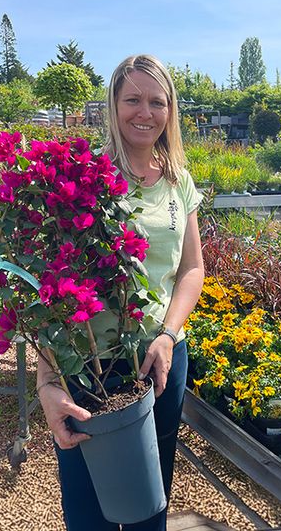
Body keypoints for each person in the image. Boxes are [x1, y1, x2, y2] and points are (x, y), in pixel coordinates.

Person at [36, 54, 205, 531]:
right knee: (89, 512)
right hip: (89, 363)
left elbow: (192, 269)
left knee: (149, 502)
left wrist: (168, 336)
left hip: (159, 360)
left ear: (170, 110)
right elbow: (49, 290)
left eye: (157, 101)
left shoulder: (179, 182)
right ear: (112, 105)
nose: (144, 112)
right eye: (132, 99)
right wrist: (47, 382)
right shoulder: (84, 181)